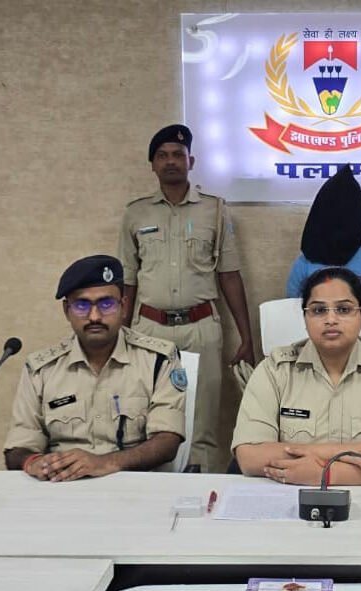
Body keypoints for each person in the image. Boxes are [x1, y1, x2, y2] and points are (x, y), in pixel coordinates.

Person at [117, 124, 254, 473]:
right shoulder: (136, 213)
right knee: (146, 417)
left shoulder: (214, 210)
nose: (171, 161)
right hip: (149, 329)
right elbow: (128, 281)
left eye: (178, 155)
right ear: (152, 165)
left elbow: (229, 274)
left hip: (201, 328)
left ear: (191, 161)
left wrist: (246, 336)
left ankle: (201, 486)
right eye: (162, 156)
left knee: (202, 424)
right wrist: (121, 334)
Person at [232, 267, 361, 485]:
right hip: (292, 498)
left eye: (344, 309)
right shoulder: (275, 370)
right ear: (305, 317)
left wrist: (327, 475)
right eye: (318, 310)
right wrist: (344, 452)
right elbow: (249, 456)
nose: (331, 319)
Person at [4, 255, 186, 480]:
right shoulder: (41, 369)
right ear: (66, 310)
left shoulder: (158, 359)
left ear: (124, 306)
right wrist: (33, 462)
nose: (94, 316)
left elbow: (167, 442)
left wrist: (104, 463)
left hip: (135, 484)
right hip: (62, 487)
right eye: (81, 305)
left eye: (106, 304)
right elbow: (18, 447)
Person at [285, 167, 361, 299]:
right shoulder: (305, 261)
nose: (339, 219)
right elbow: (293, 307)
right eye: (332, 212)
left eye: (346, 212)